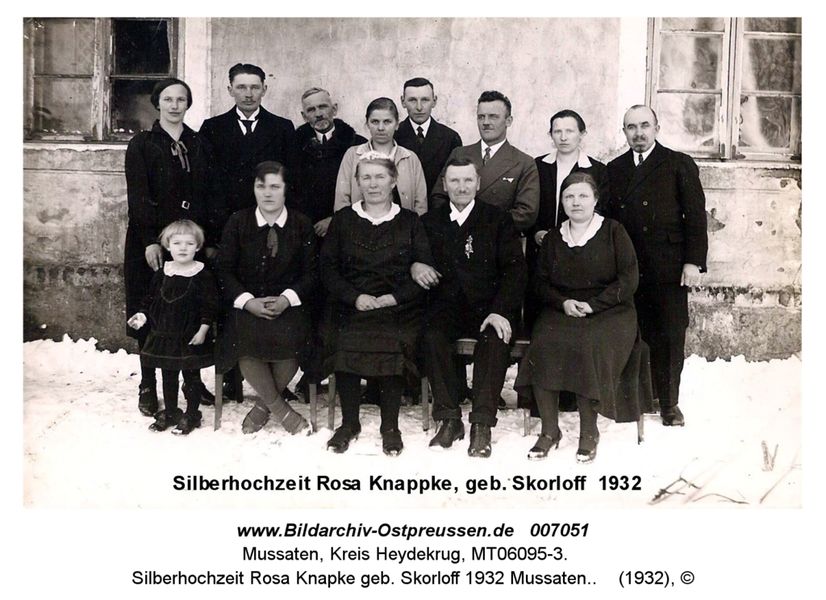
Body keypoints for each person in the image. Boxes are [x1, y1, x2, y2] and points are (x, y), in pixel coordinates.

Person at [515, 172, 651, 462]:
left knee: (588, 343)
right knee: (543, 343)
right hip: (564, 308)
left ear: (595, 200)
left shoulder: (614, 231)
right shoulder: (554, 237)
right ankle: (549, 430)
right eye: (569, 196)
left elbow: (629, 279)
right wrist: (563, 302)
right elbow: (539, 282)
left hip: (611, 311)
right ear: (562, 202)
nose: (576, 202)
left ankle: (589, 432)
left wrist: (594, 305)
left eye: (582, 196)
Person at [414, 158, 527, 458]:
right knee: (431, 336)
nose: (461, 187)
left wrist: (500, 310)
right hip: (447, 308)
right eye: (454, 181)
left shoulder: (498, 219)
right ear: (444, 184)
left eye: (467, 180)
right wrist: (416, 266)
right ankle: (449, 419)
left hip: (490, 308)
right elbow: (416, 258)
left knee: (494, 339)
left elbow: (515, 271)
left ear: (478, 183)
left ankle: (481, 424)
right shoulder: (430, 222)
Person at [199, 63, 297, 403]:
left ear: (264, 90)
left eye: (255, 87)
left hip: (270, 226)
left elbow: (290, 182)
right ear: (230, 90)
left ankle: (275, 379)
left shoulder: (282, 128)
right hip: (232, 229)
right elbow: (207, 185)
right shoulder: (212, 128)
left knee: (272, 295)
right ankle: (233, 376)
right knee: (236, 296)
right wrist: (214, 237)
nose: (248, 93)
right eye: (241, 87)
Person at [321, 153, 431, 456]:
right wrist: (355, 297)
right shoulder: (343, 220)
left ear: (393, 181)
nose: (373, 184)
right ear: (357, 182)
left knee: (391, 339)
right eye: (366, 177)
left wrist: (394, 298)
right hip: (351, 304)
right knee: (345, 337)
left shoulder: (410, 221)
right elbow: (327, 268)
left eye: (380, 177)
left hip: (397, 306)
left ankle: (390, 426)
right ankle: (349, 423)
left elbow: (424, 270)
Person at [124, 77, 221, 417]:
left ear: (188, 104)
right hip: (151, 240)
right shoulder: (143, 144)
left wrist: (209, 241)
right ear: (157, 103)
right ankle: (148, 384)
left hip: (191, 241)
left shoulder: (200, 143)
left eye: (181, 99)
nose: (175, 105)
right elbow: (138, 196)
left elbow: (212, 194)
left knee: (190, 309)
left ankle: (190, 379)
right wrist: (150, 241)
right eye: (168, 99)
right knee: (152, 309)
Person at [606, 105, 708, 427]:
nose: (638, 133)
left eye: (644, 126)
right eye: (631, 127)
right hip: (628, 265)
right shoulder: (614, 169)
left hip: (668, 267)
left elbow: (696, 217)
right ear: (624, 132)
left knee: (670, 334)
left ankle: (669, 403)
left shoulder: (678, 164)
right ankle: (636, 397)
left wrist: (693, 262)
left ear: (657, 129)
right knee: (632, 332)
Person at [214, 161, 316, 436]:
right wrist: (247, 301)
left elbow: (311, 272)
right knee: (246, 342)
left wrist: (286, 299)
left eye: (275, 186)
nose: (268, 193)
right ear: (253, 189)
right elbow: (224, 270)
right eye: (261, 186)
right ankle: (282, 411)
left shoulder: (301, 223)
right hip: (247, 304)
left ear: (286, 189)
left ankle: (262, 408)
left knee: (293, 341)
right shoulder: (238, 222)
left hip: (288, 305)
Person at [291, 87, 367, 398]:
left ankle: (345, 373)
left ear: (334, 108)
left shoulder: (355, 144)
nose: (319, 114)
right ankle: (311, 375)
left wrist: (335, 219)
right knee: (311, 305)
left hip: (344, 233)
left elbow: (364, 189)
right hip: (305, 234)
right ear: (303, 115)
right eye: (311, 110)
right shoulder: (293, 145)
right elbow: (289, 189)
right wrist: (305, 226)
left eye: (323, 107)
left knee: (339, 305)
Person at [127, 220, 218, 435]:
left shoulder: (202, 274)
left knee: (191, 376)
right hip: (165, 335)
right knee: (168, 374)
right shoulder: (162, 272)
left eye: (189, 243)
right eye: (177, 243)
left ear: (198, 246)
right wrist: (142, 315)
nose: (183, 248)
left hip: (189, 335)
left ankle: (192, 413)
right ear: (168, 246)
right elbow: (151, 300)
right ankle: (170, 411)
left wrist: (203, 330)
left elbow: (210, 306)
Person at [431, 90, 539, 232]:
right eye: (481, 117)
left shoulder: (523, 162)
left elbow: (526, 213)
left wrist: (482, 226)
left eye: (493, 117)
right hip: (456, 234)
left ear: (508, 121)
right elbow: (438, 196)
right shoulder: (459, 154)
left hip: (498, 239)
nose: (486, 122)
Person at [334, 98, 427, 215]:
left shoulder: (410, 158)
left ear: (397, 124)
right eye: (375, 122)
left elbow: (420, 204)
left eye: (387, 122)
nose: (381, 128)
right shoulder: (353, 155)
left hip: (403, 225)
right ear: (367, 124)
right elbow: (341, 201)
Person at [395, 77, 462, 202]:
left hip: (439, 209)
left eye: (425, 100)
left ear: (434, 101)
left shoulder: (450, 138)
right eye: (412, 100)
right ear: (403, 102)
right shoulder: (394, 136)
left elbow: (455, 180)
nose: (419, 107)